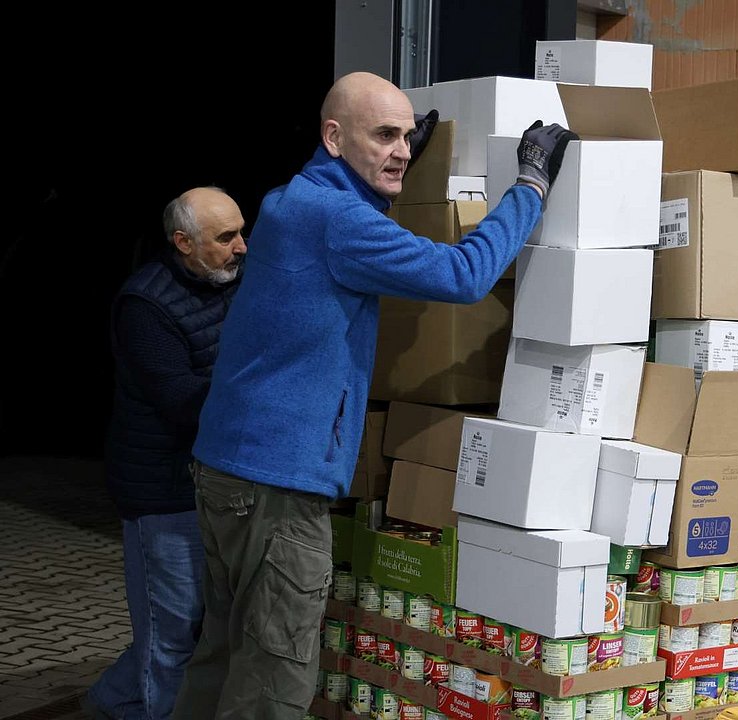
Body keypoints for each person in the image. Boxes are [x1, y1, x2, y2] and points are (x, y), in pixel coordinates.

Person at [171, 72, 575, 717]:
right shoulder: (335, 220)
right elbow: (462, 274)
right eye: (384, 135)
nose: (404, 150)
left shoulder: (290, 200)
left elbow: (355, 230)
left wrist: (391, 168)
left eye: (408, 137)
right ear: (333, 138)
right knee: (275, 675)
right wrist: (529, 186)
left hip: (227, 470)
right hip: (278, 483)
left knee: (222, 651)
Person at [87, 187, 248, 720]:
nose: (241, 247)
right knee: (173, 633)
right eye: (225, 238)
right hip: (164, 492)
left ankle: (110, 702)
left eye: (241, 231)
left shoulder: (229, 279)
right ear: (183, 242)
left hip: (214, 481)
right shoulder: (146, 304)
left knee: (188, 625)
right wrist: (262, 390)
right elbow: (181, 401)